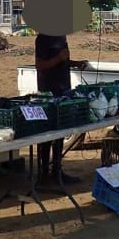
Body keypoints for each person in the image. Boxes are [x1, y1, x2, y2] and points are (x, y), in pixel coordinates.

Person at [34, 33, 87, 185]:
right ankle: (43, 172)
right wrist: (59, 58)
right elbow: (39, 65)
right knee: (46, 133)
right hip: (48, 91)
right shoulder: (43, 38)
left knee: (60, 131)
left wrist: (75, 63)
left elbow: (63, 61)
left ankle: (57, 170)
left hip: (64, 89)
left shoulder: (62, 37)